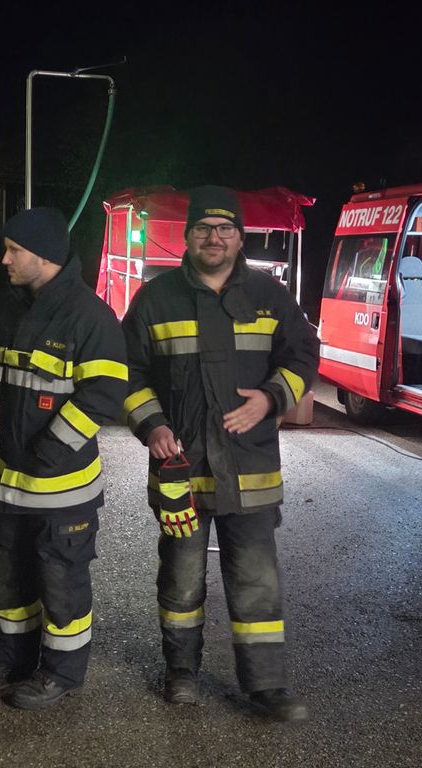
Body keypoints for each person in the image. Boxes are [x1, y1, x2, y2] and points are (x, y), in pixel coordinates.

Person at [121, 185, 319, 721]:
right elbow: (127, 373)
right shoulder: (154, 299)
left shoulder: (269, 295)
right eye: (204, 229)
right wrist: (153, 424)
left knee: (257, 581)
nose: (215, 238)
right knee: (181, 578)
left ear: (239, 236)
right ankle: (181, 671)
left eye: (225, 228)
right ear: (186, 236)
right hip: (181, 472)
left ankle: (266, 687)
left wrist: (272, 398)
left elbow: (303, 355)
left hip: (250, 471)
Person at [0, 207, 128, 710]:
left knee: (61, 581)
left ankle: (61, 673)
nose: (4, 258)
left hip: (63, 489)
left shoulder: (89, 318)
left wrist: (51, 451)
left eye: (14, 250)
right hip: (11, 483)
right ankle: (11, 654)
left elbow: (104, 393)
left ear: (43, 256)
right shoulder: (4, 306)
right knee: (8, 573)